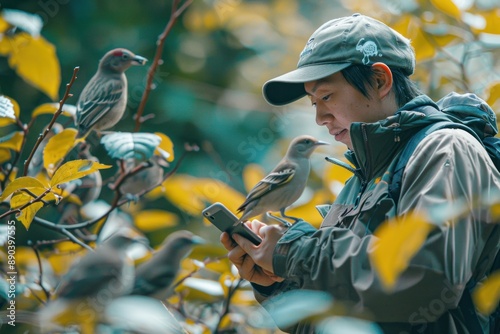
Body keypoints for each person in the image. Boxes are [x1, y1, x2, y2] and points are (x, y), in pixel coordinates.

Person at [220, 13, 500, 333]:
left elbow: (425, 282)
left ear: (380, 81)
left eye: (327, 96)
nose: (321, 117)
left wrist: (296, 251)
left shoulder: (445, 150)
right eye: (314, 103)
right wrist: (276, 287)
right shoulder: (359, 183)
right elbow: (334, 319)